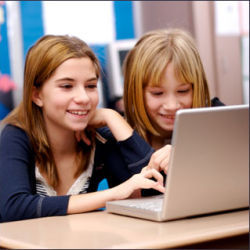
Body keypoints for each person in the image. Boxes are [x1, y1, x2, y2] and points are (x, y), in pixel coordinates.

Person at [0, 35, 165, 223]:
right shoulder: (15, 136)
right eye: (67, 86)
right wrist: (114, 194)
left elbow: (155, 193)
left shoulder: (99, 138)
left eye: (91, 86)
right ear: (37, 95)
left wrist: (114, 118)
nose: (84, 98)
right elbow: (14, 208)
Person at [123, 28, 224, 173]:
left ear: (197, 88)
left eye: (183, 91)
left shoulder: (218, 119)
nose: (171, 105)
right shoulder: (117, 135)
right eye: (157, 93)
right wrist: (110, 117)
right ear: (135, 92)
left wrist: (185, 153)